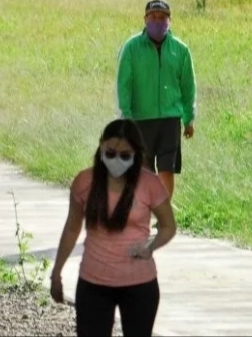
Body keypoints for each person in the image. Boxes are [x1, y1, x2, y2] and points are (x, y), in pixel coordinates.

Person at [49, 119, 177, 337]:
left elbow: (168, 226)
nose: (116, 160)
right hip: (93, 283)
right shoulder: (84, 182)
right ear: (100, 146)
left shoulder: (150, 184)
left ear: (136, 154)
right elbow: (71, 229)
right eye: (110, 153)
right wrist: (56, 273)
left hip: (140, 284)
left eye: (125, 155)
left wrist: (150, 247)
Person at [116, 0, 197, 198]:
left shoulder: (180, 50)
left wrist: (189, 119)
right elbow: (123, 84)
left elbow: (188, 87)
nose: (157, 21)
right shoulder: (132, 48)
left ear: (169, 21)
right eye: (153, 17)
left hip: (170, 119)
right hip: (141, 119)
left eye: (162, 17)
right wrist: (125, 115)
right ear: (145, 20)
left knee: (166, 168)